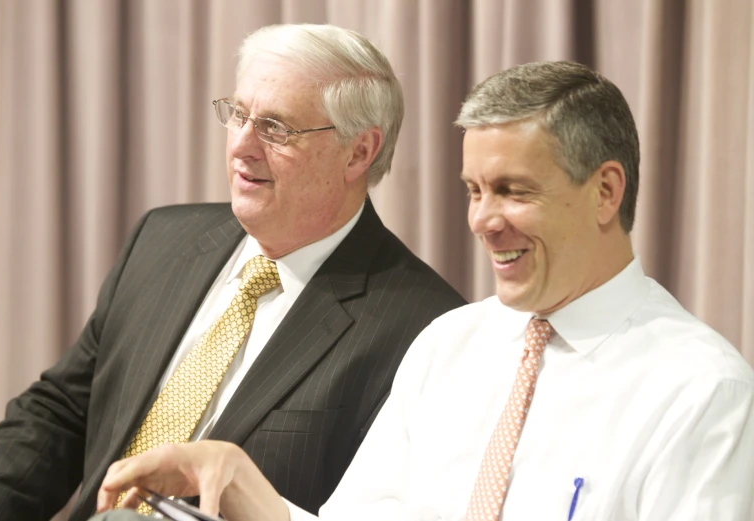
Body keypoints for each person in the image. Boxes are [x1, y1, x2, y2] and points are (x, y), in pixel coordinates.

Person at [92, 60, 754, 521]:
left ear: (606, 191)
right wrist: (232, 476)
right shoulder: (449, 344)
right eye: (473, 190)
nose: (483, 221)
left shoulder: (700, 391)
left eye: (513, 191)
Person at [0, 24, 466, 521]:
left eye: (276, 128)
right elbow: (59, 414)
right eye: (238, 115)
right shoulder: (163, 239)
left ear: (360, 151)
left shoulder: (428, 329)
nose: (242, 146)